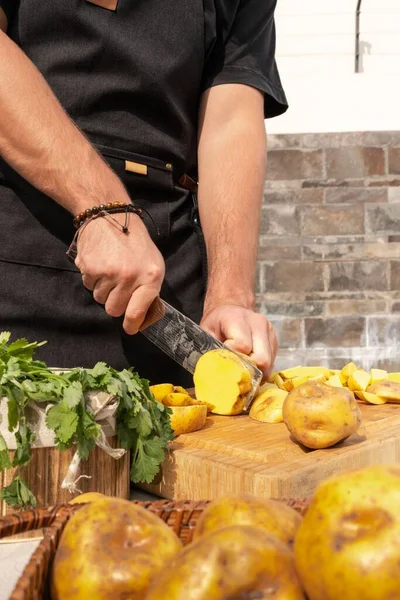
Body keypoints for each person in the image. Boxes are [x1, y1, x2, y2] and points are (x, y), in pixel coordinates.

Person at [0, 0, 287, 387]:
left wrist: (229, 296)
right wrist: (100, 206)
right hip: (19, 269)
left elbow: (232, 113)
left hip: (169, 297)